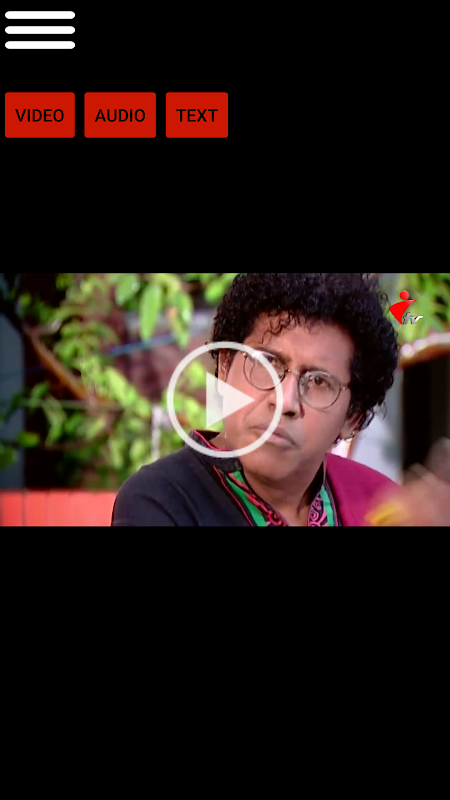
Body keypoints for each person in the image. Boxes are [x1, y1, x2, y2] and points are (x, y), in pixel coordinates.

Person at [112, 273, 450, 527]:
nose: (285, 401)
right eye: (267, 363)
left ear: (353, 417)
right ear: (225, 367)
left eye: (318, 382)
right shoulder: (161, 500)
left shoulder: (375, 499)